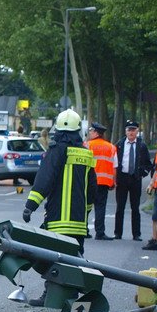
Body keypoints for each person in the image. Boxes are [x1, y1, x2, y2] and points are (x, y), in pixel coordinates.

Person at [21, 108, 96, 255]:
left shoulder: (55, 151)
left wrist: (30, 206)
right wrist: (86, 212)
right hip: (79, 224)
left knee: (55, 264)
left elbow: (44, 180)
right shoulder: (87, 154)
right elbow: (92, 188)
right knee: (75, 262)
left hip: (57, 222)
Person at [113, 120, 152, 240]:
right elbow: (114, 160)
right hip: (122, 178)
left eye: (133, 130)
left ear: (137, 131)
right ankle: (118, 233)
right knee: (120, 207)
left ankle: (136, 234)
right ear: (125, 131)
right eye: (129, 130)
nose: (131, 132)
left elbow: (148, 164)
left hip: (135, 179)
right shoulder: (119, 144)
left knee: (135, 208)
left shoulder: (142, 145)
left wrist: (141, 174)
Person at [86, 122, 117, 240]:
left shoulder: (87, 145)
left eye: (91, 131)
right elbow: (115, 166)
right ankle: (100, 232)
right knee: (100, 207)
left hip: (89, 181)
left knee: (86, 207)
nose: (90, 133)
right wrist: (114, 181)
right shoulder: (111, 147)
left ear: (96, 133)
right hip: (104, 182)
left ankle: (84, 230)